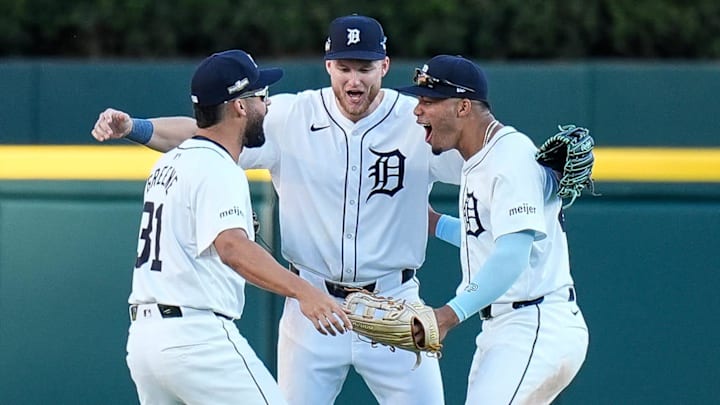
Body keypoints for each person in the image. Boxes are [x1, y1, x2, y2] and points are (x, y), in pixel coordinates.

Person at [92, 15, 464, 405]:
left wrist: (529, 169)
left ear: (384, 67)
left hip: (394, 300)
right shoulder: (291, 115)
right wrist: (135, 127)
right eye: (344, 68)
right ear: (328, 67)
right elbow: (208, 131)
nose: (354, 80)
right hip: (311, 303)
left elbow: (479, 157)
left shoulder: (416, 119)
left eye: (365, 68)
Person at [124, 49, 351, 405]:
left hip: (144, 339)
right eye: (261, 96)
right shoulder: (218, 166)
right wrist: (305, 292)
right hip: (197, 338)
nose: (267, 104)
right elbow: (232, 248)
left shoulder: (170, 162)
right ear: (239, 106)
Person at [397, 55, 589, 404]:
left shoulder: (509, 157)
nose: (417, 111)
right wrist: (435, 223)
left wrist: (449, 314)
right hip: (510, 326)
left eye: (429, 101)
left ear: (463, 107)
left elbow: (512, 256)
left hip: (534, 322)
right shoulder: (481, 159)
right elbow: (484, 238)